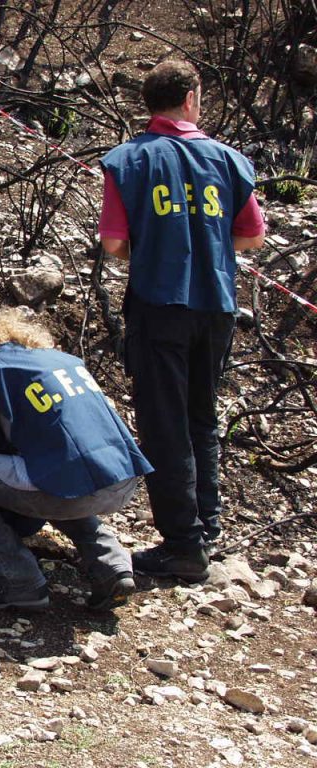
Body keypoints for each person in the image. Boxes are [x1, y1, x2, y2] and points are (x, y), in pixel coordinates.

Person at [99, 58, 266, 581]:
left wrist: (158, 247)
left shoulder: (127, 161)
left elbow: (113, 244)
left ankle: (182, 545)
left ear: (149, 103)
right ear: (192, 98)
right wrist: (206, 244)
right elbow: (252, 236)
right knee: (201, 418)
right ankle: (205, 531)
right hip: (215, 304)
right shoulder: (230, 160)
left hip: (158, 302)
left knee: (164, 423)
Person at [0, 298, 153, 611]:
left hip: (68, 490)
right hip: (121, 478)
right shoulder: (57, 358)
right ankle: (110, 563)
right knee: (56, 466)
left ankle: (19, 580)